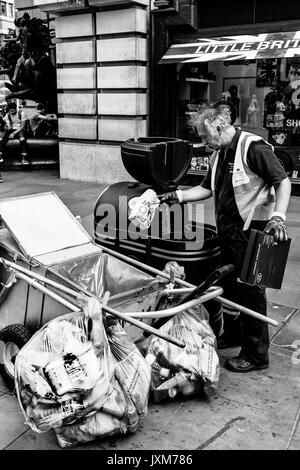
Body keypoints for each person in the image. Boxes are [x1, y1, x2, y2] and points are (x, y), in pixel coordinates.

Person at [159, 99, 291, 373]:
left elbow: (283, 181)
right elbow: (205, 188)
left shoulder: (252, 147)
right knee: (231, 286)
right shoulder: (218, 155)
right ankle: (234, 334)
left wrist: (279, 216)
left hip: (254, 229)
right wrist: (176, 196)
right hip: (229, 232)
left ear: (218, 126)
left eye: (206, 135)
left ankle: (256, 355)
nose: (204, 141)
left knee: (251, 290)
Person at [0, 101, 29, 173]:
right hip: (12, 129)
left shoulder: (21, 113)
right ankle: (0, 154)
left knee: (22, 139)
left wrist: (14, 133)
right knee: (3, 138)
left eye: (12, 110)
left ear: (16, 109)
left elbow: (22, 126)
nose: (11, 112)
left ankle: (24, 157)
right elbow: (5, 124)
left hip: (19, 129)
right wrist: (6, 127)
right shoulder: (8, 114)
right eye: (10, 110)